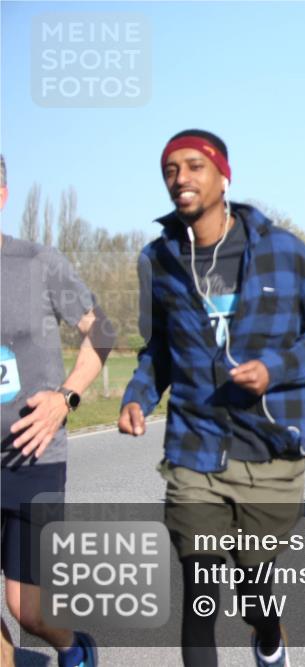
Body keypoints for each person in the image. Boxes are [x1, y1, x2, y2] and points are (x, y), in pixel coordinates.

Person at [117, 130, 305, 667]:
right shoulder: (159, 259)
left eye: (194, 166)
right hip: (194, 446)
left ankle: (267, 634)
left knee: (252, 586)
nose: (181, 178)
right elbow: (158, 349)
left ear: (224, 176)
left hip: (270, 447)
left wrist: (277, 370)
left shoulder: (282, 251)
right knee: (200, 593)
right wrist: (137, 396)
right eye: (171, 168)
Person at [1, 154, 113, 667]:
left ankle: (72, 647)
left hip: (34, 457)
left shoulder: (38, 263)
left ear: (1, 195)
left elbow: (101, 333)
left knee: (27, 609)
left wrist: (64, 398)